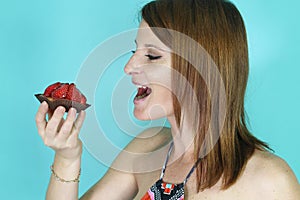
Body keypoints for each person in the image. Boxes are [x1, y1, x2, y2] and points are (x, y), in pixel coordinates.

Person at [35, 0, 300, 199]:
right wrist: (67, 158)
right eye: (134, 51)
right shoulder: (145, 150)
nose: (128, 67)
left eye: (151, 56)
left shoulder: (270, 182)